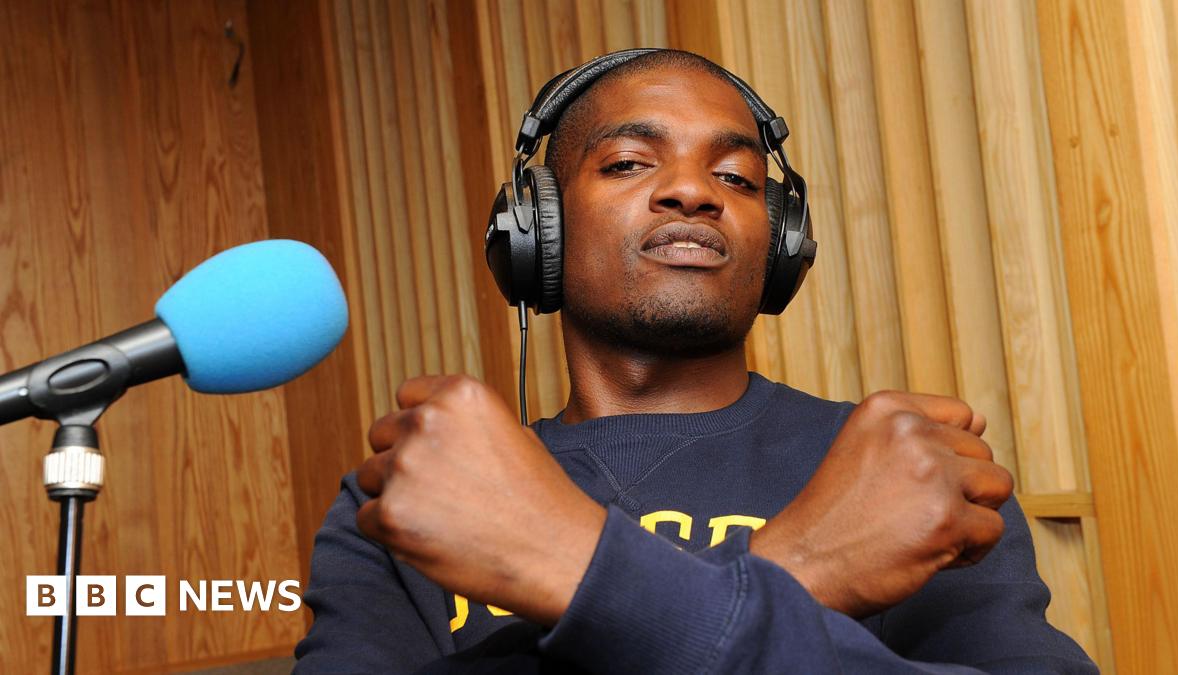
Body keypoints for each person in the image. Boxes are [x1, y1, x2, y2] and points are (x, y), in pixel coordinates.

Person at [294, 49, 1096, 673]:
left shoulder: (904, 466)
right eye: (630, 163)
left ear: (781, 242)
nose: (692, 191)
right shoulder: (428, 487)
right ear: (538, 227)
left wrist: (576, 570)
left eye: (736, 176)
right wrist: (797, 571)